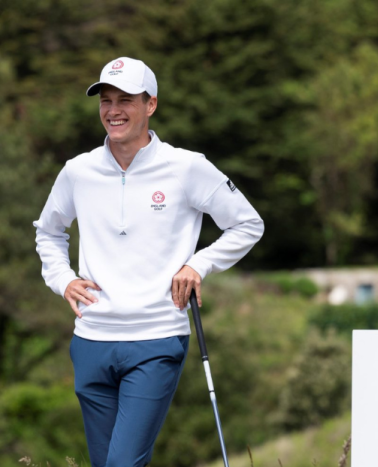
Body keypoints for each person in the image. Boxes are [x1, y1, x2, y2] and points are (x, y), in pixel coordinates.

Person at [33, 57, 264, 467]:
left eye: (125, 100)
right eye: (106, 100)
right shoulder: (78, 171)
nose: (113, 110)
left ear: (151, 104)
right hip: (91, 339)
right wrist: (61, 278)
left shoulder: (186, 167)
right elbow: (49, 231)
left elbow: (247, 224)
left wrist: (198, 265)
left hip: (156, 338)